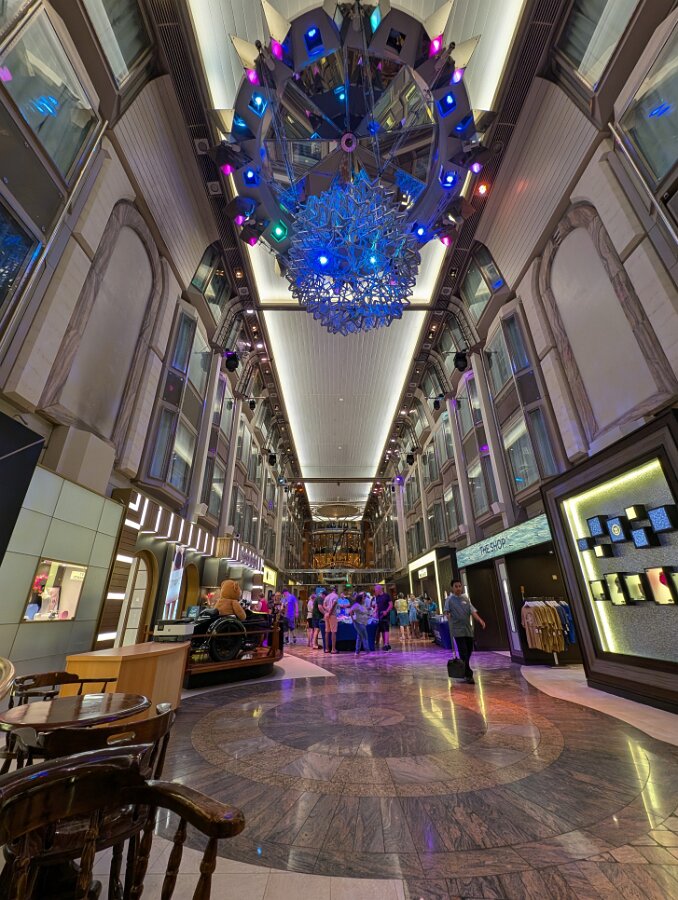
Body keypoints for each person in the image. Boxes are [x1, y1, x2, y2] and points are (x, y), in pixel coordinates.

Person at [444, 580, 486, 684]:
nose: (458, 588)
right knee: (463, 651)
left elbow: (472, 611)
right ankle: (468, 674)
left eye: (459, 586)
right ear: (452, 588)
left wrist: (480, 620)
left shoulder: (465, 598)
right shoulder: (449, 600)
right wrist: (447, 615)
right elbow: (446, 611)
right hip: (457, 630)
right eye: (456, 586)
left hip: (468, 629)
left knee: (469, 650)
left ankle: (464, 668)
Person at [373, 584, 393, 651]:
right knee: (382, 630)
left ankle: (386, 644)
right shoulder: (377, 597)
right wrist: (374, 612)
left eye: (376, 590)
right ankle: (385, 643)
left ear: (379, 589)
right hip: (379, 615)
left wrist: (386, 611)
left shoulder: (386, 595)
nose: (375, 591)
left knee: (386, 629)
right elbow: (377, 606)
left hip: (385, 615)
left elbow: (391, 605)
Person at [323, 586, 339, 653]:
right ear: (336, 590)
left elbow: (324, 605)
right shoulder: (336, 596)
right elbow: (334, 604)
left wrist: (327, 610)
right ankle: (333, 649)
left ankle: (327, 649)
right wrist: (330, 612)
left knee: (327, 631)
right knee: (333, 632)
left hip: (326, 614)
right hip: (332, 615)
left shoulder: (327, 596)